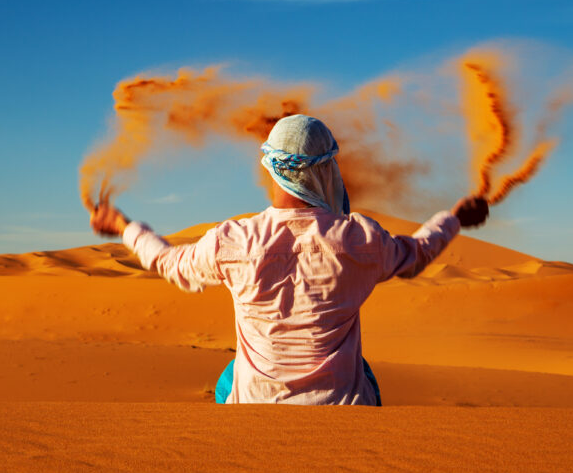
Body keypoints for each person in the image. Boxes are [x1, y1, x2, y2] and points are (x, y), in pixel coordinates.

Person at [90, 114, 488, 405]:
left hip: (255, 407)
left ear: (272, 170)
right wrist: (453, 219)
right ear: (327, 169)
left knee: (229, 377)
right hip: (342, 411)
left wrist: (124, 225)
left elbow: (169, 263)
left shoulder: (234, 241)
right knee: (364, 372)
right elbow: (417, 254)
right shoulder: (358, 239)